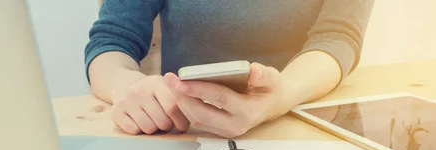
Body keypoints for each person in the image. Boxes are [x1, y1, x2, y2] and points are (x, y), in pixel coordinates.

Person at [84, 0, 375, 138]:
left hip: (301, 128)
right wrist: (125, 86)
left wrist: (282, 96)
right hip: (183, 134)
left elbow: (338, 38)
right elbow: (111, 41)